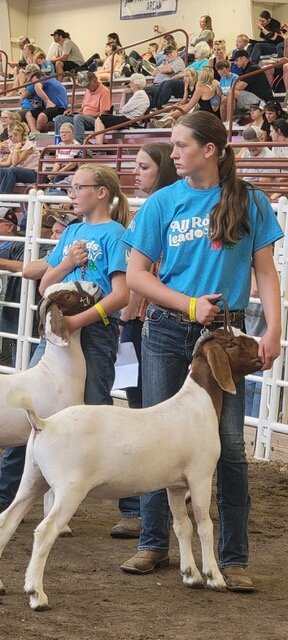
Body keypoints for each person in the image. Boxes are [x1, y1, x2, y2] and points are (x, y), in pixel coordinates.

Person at [120, 111, 283, 592]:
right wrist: (190, 304)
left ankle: (232, 558)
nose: (174, 154)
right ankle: (154, 542)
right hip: (171, 328)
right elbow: (137, 275)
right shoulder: (162, 202)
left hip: (226, 339)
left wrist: (274, 330)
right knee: (154, 432)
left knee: (229, 447)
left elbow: (266, 271)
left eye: (180, 146)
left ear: (209, 149)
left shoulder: (249, 200)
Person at [110, 142, 179, 540]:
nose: (136, 173)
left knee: (142, 408)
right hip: (140, 320)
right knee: (139, 404)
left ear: (162, 170)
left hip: (142, 319)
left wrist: (130, 308)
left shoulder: (155, 211)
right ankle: (149, 505)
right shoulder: (149, 210)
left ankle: (140, 508)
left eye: (144, 167)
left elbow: (146, 268)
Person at [0, 215, 77, 512]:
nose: (57, 232)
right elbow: (33, 272)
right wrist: (66, 261)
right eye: (55, 229)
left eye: (60, 229)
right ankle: (9, 495)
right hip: (56, 330)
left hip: (72, 332)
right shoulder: (62, 251)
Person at [39, 164, 129, 408]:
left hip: (95, 328)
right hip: (59, 322)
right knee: (43, 392)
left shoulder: (115, 233)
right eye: (71, 188)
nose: (72, 194)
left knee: (93, 400)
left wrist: (75, 323)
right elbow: (44, 285)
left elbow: (121, 295)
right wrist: (68, 263)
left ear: (101, 192)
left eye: (79, 187)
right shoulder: (72, 231)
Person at [54, 72, 111, 143]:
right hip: (82, 118)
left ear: (95, 81)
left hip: (95, 120)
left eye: (88, 85)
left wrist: (84, 115)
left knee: (78, 118)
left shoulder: (105, 92)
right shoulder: (88, 90)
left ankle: (77, 144)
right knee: (59, 118)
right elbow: (83, 108)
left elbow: (103, 114)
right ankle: (58, 144)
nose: (86, 87)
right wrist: (73, 111)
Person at [94, 73, 150, 145]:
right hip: (128, 118)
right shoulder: (139, 94)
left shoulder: (140, 94)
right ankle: (99, 143)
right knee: (99, 119)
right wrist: (124, 94)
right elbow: (122, 109)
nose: (129, 85)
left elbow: (122, 110)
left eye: (131, 83)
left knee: (101, 119)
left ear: (135, 85)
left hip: (130, 119)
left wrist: (124, 96)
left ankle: (99, 145)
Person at [226, 50, 273, 123]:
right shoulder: (247, 69)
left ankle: (228, 122)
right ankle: (228, 121)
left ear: (243, 58)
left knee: (231, 92)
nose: (235, 63)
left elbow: (239, 87)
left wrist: (236, 84)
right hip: (255, 98)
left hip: (262, 101)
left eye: (237, 60)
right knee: (224, 100)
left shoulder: (253, 68)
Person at [23, 64, 68, 133]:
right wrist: (39, 105)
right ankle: (34, 132)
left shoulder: (42, 79)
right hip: (53, 106)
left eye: (29, 75)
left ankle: (40, 134)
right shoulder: (48, 80)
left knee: (42, 117)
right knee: (29, 114)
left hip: (59, 107)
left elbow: (37, 87)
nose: (31, 81)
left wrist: (47, 101)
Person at [0, 121, 40, 194]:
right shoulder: (13, 144)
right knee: (1, 171)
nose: (10, 138)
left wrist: (16, 149)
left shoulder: (29, 146)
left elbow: (15, 163)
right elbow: (9, 162)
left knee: (11, 170)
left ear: (19, 135)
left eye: (12, 136)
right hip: (20, 171)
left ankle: (4, 196)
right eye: (9, 136)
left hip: (34, 173)